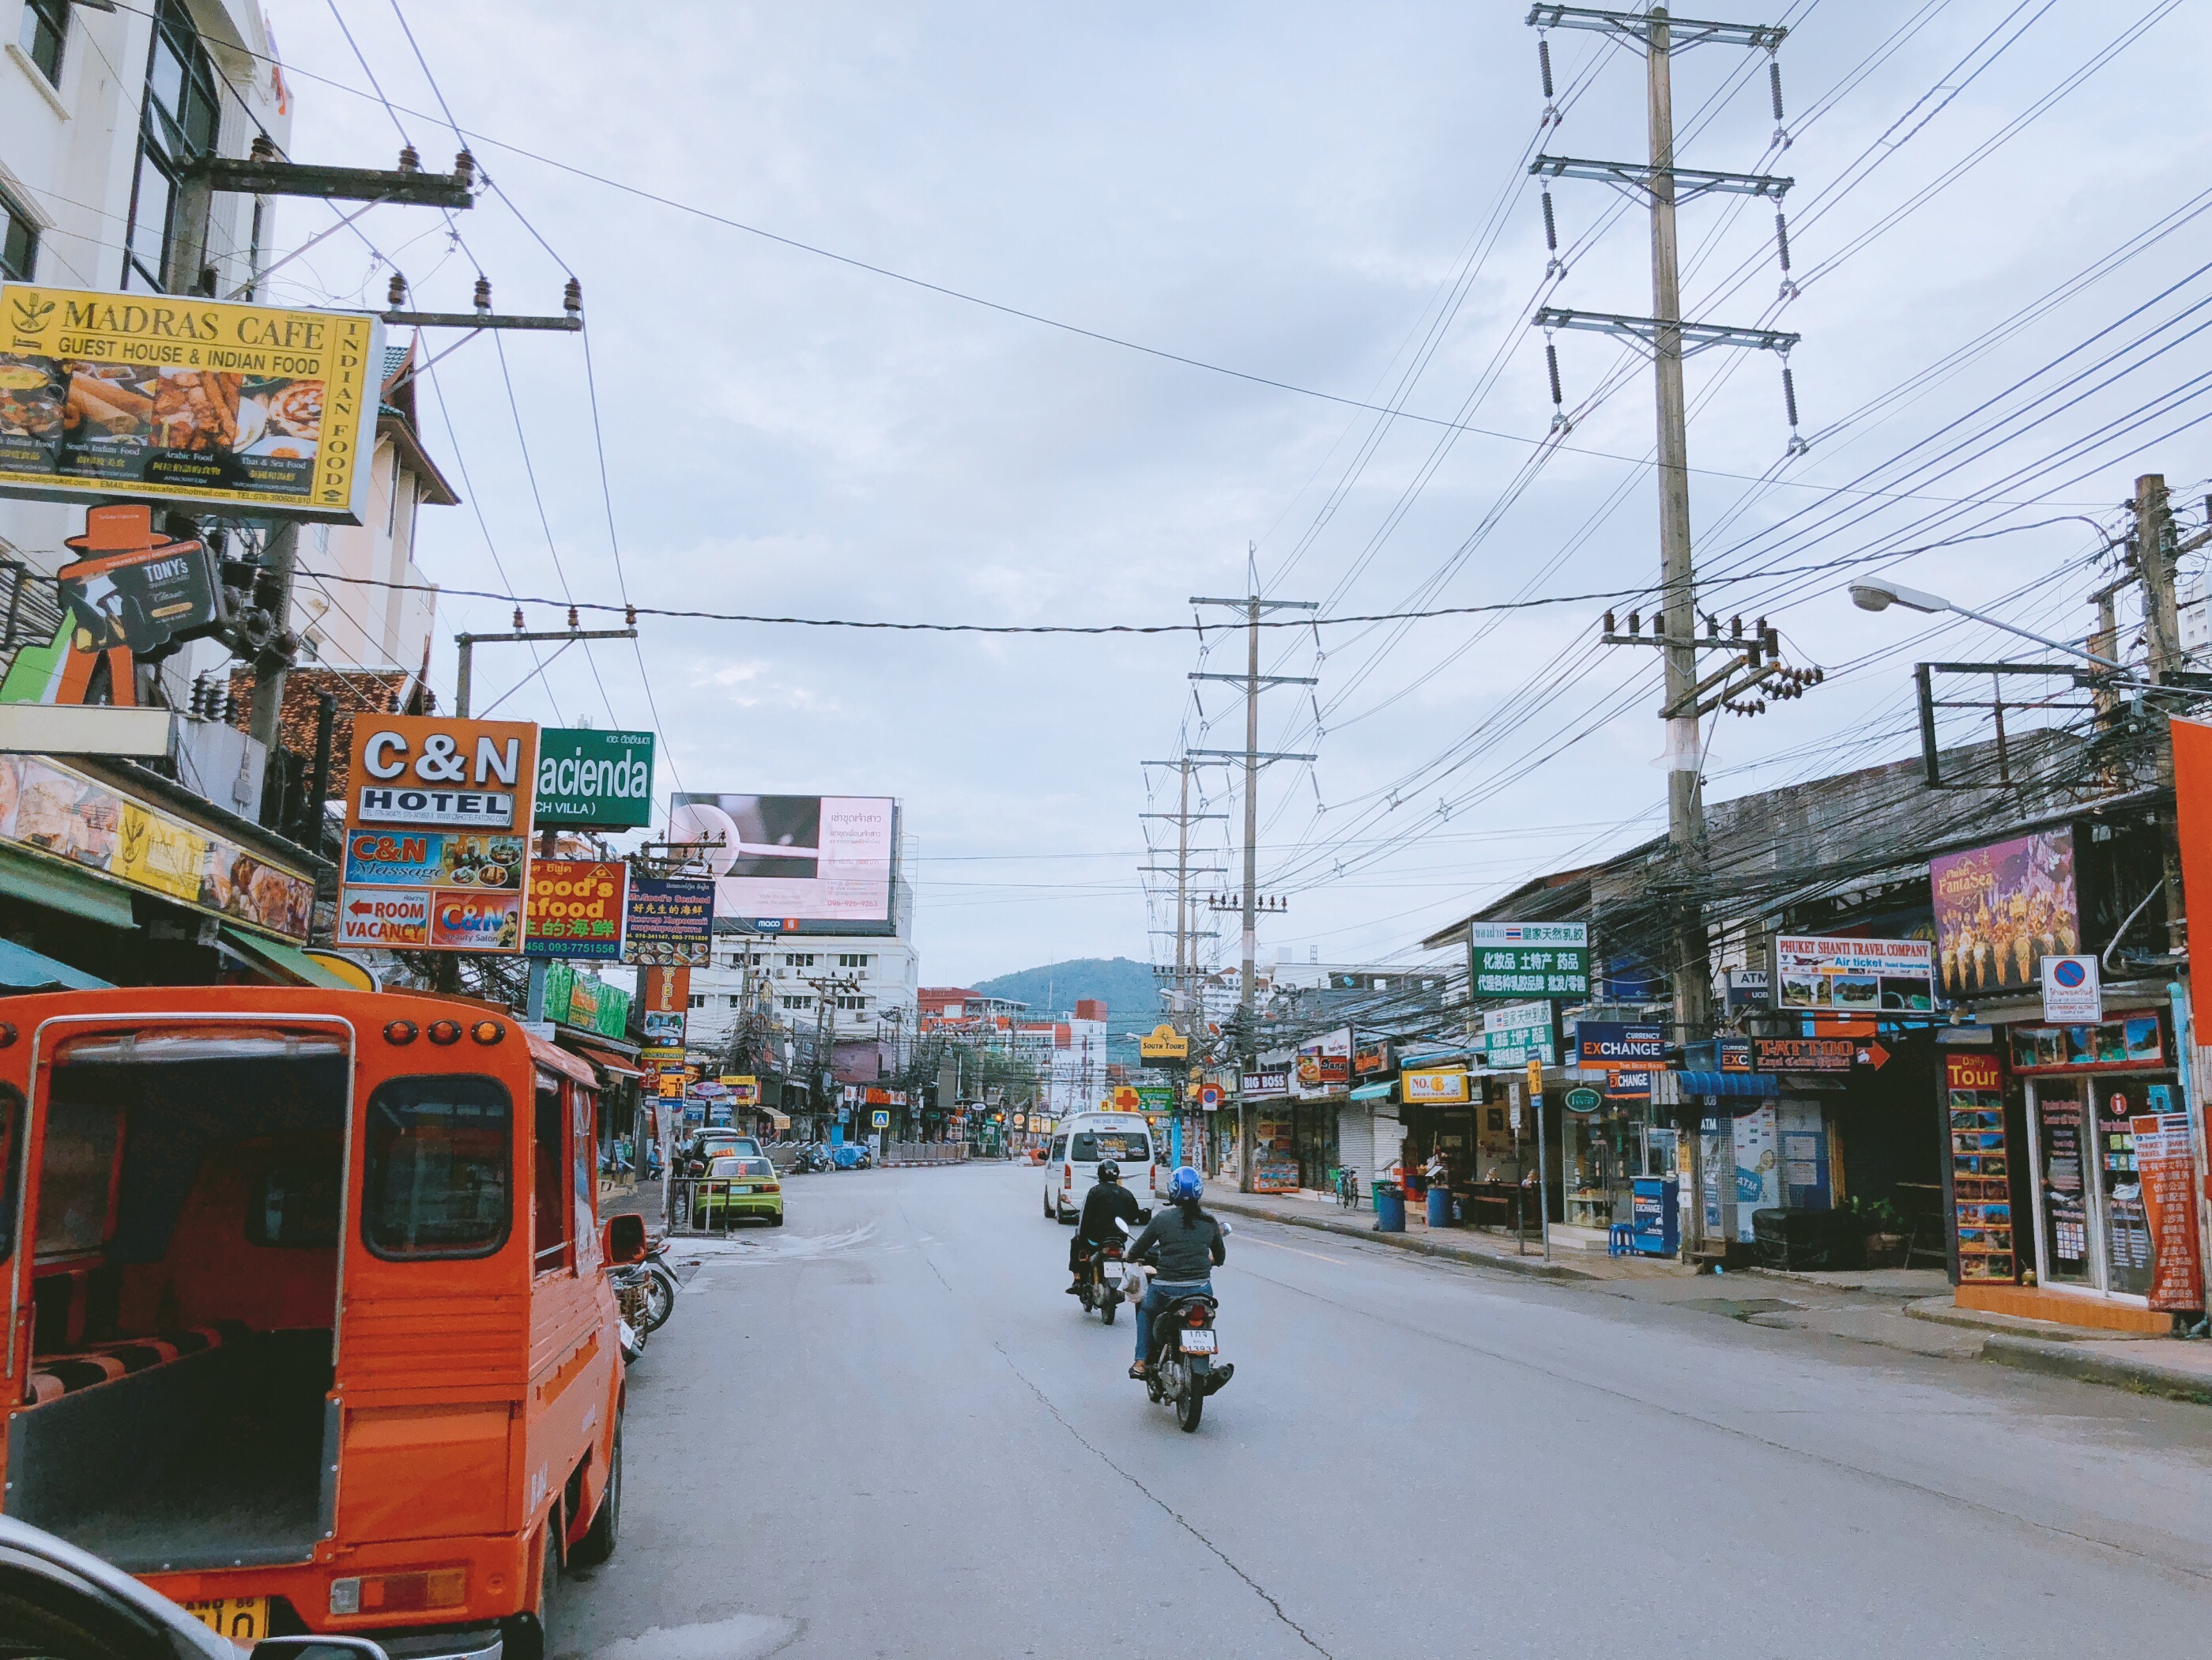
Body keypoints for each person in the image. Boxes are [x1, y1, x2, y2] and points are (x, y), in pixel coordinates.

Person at [1123, 1166, 1227, 1379]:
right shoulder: (1209, 1221)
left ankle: (1141, 1360)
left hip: (1165, 1289)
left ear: (1172, 1191)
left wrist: (1130, 1257)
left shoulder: (1162, 1219)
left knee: (1146, 1310)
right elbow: (1220, 1257)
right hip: (1201, 1290)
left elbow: (1138, 1249)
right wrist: (1210, 1260)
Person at [1068, 1160, 1146, 1293]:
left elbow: (1085, 1219)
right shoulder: (1127, 1194)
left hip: (1096, 1240)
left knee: (1075, 1242)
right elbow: (1134, 1216)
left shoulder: (1093, 1192)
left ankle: (1078, 1280)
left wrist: (1082, 1244)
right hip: (1119, 1239)